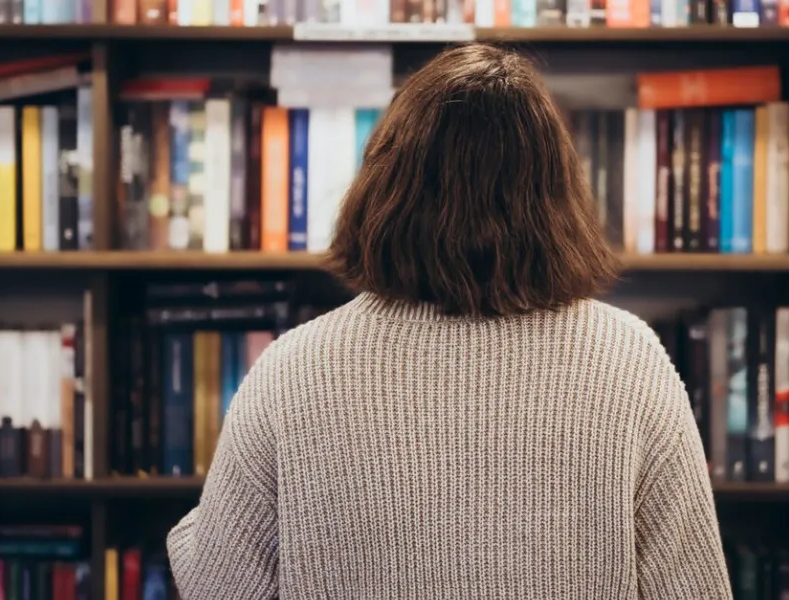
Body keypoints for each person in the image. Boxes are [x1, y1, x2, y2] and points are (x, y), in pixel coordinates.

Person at [167, 42, 732, 599]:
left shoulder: (293, 369)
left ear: (386, 186)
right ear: (558, 194)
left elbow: (220, 584)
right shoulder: (628, 360)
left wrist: (196, 536)